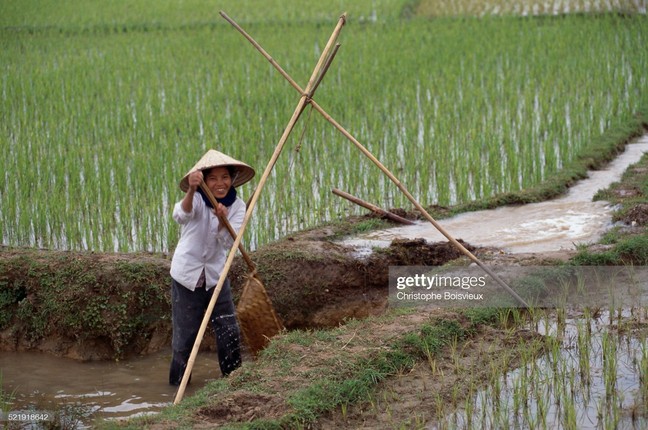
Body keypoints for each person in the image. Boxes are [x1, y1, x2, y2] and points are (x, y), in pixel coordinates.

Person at [169, 149, 255, 385]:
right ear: (205, 180)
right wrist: (191, 189)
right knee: (185, 338)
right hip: (186, 276)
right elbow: (180, 215)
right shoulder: (196, 198)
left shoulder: (236, 207)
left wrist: (221, 220)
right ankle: (178, 386)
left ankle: (233, 383)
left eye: (225, 177)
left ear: (232, 178)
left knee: (228, 330)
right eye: (213, 178)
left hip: (216, 277)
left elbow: (229, 242)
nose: (220, 184)